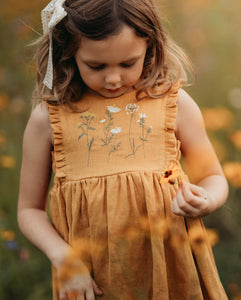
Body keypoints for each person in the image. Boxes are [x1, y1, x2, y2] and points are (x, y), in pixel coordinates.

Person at [17, 0, 229, 299]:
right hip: (90, 277)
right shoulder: (48, 119)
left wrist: (206, 199)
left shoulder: (175, 103)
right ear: (69, 54)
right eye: (96, 66)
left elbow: (214, 177)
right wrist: (63, 258)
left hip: (173, 272)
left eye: (128, 63)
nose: (113, 78)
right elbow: (29, 210)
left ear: (150, 47)